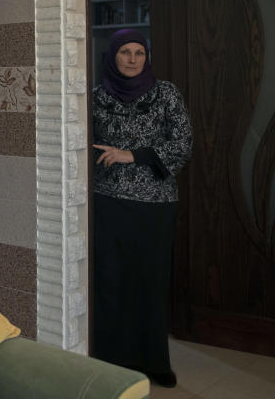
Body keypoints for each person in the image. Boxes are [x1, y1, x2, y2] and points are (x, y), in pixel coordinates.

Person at [92, 28, 192, 388]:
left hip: (155, 205)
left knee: (149, 282)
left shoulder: (165, 94)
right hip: (108, 203)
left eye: (139, 52)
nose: (133, 59)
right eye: (125, 53)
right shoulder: (96, 97)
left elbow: (182, 143)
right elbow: (81, 143)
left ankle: (153, 362)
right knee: (110, 281)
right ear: (113, 57)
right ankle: (110, 361)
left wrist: (130, 155)